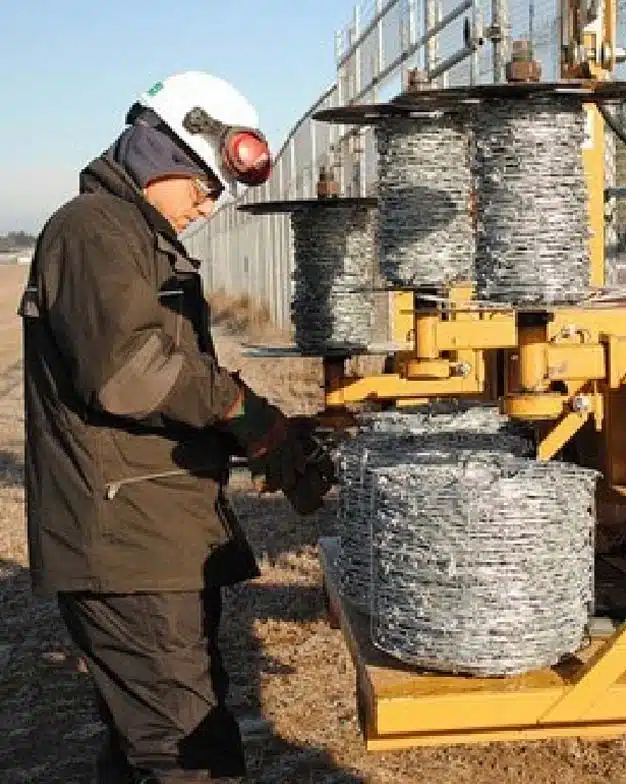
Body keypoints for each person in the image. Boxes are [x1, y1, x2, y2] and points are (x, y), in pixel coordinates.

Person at [18, 70, 334, 783]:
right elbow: (130, 369)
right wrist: (243, 412)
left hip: (147, 528)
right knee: (186, 754)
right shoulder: (94, 229)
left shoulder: (130, 234)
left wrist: (258, 431)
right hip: (126, 541)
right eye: (203, 182)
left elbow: (163, 378)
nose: (208, 203)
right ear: (160, 148)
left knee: (148, 744)